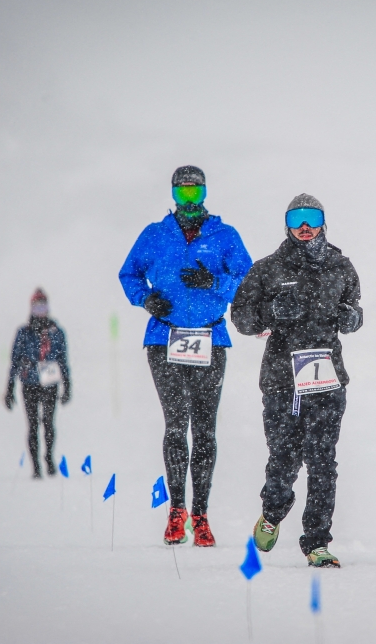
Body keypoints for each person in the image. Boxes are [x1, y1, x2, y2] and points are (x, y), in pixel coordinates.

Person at [119, 165, 252, 547]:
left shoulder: (224, 236)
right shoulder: (155, 235)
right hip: (165, 340)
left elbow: (248, 284)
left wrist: (215, 281)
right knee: (176, 426)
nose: (189, 200)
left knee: (205, 429)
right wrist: (146, 299)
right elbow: (129, 274)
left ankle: (201, 515)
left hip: (210, 337)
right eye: (183, 193)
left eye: (196, 193)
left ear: (206, 193)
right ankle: (176, 512)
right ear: (174, 195)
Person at [231, 193, 362, 568]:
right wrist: (269, 313)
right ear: (286, 224)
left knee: (323, 460)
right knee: (285, 457)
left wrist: (351, 319)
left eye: (312, 218)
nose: (305, 226)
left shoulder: (341, 266)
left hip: (326, 378)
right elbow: (240, 317)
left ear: (324, 222)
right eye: (296, 218)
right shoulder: (267, 269)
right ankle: (273, 509)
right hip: (281, 380)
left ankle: (317, 542)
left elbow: (354, 309)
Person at [4, 289, 72, 479]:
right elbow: (15, 361)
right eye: (37, 306)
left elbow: (63, 361)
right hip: (30, 382)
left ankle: (48, 458)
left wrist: (67, 385)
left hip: (50, 383)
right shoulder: (24, 333)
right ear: (31, 308)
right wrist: (9, 389)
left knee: (49, 423)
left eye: (43, 306)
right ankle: (35, 466)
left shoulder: (56, 332)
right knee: (33, 425)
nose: (40, 310)